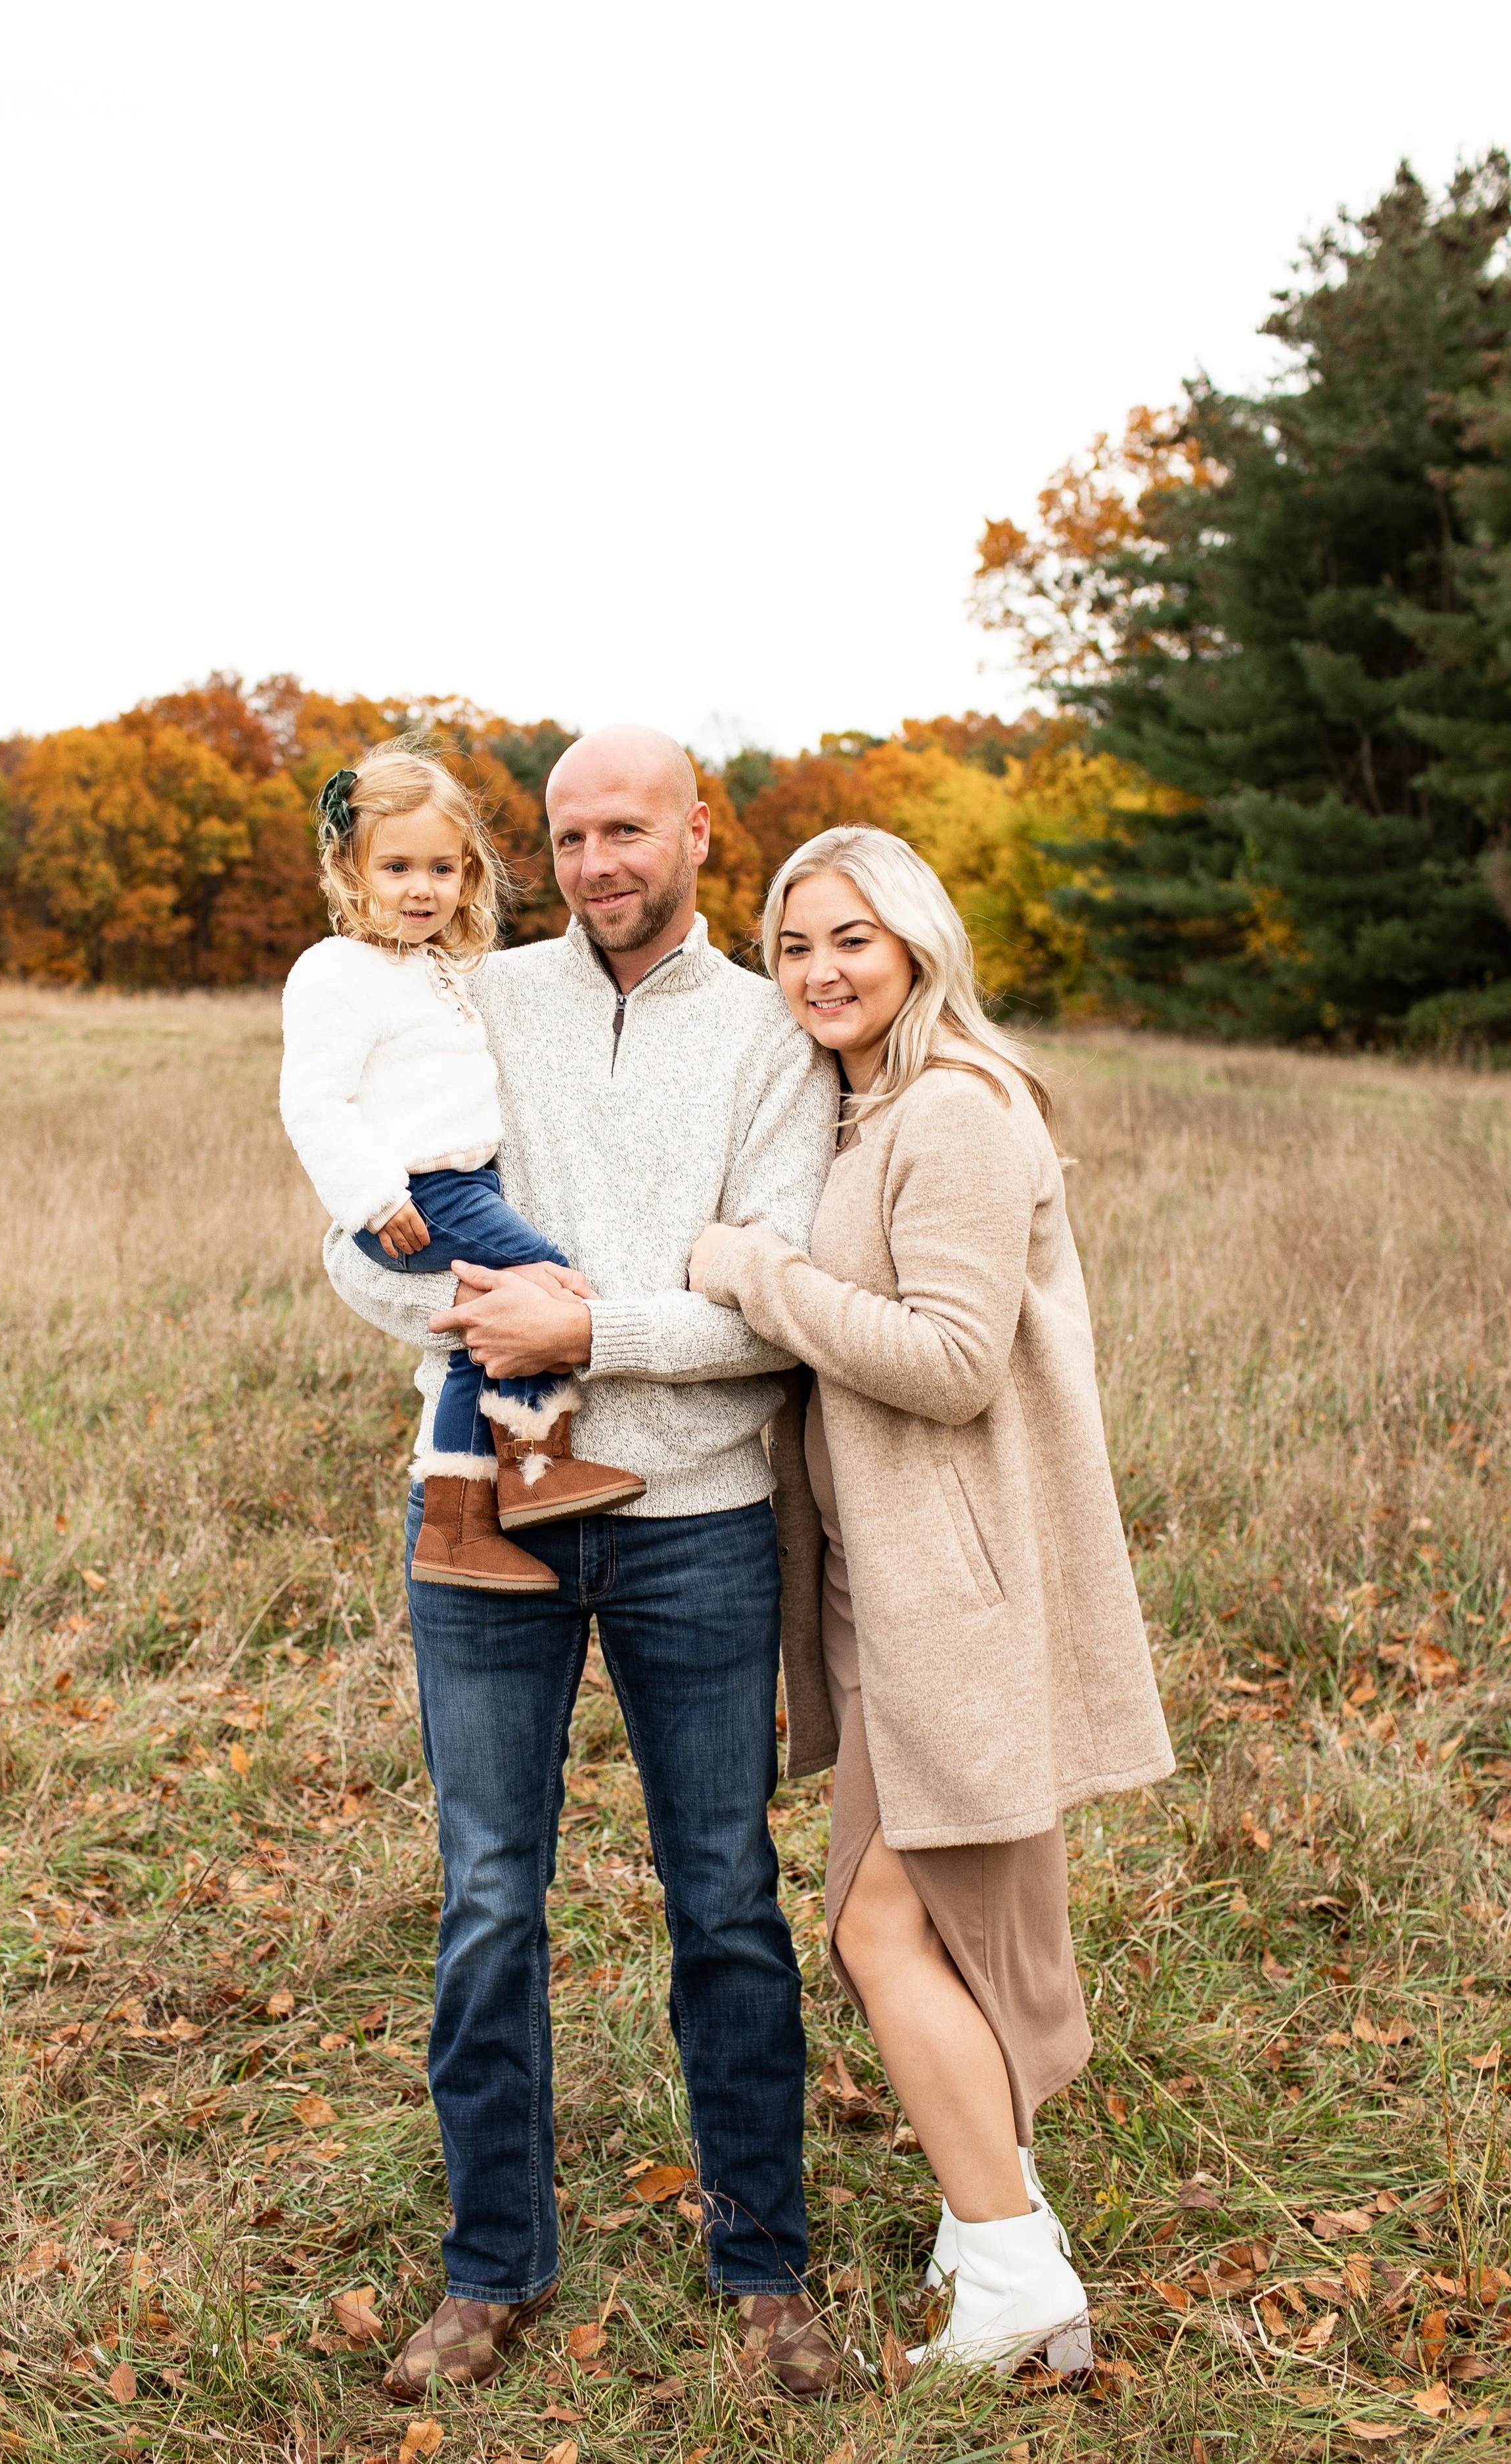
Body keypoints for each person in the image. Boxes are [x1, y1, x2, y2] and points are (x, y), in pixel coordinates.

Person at [317, 726, 844, 2400]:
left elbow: (774, 1309)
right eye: (567, 834)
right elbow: (366, 1242)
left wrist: (588, 1325)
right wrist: (500, 1323)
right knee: (487, 1899)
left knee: (727, 1901)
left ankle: (764, 2264)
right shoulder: (470, 993)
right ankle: (489, 2270)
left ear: (697, 830)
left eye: (627, 827)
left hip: (694, 1524)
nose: (597, 861)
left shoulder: (776, 1037)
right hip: (478, 1502)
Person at [688, 826, 1175, 2376]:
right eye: (791, 946)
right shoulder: (866, 1108)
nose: (819, 971)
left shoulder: (953, 1111)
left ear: (913, 943)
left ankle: (1019, 2271)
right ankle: (993, 2231)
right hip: (892, 1588)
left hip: (953, 1591)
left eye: (850, 939)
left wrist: (750, 1273)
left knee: (881, 1921)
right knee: (915, 1922)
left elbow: (953, 1365)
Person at [279, 736, 645, 1594]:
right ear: (350, 868)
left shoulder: (434, 966)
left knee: (489, 1324)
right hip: (417, 1192)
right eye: (397, 865)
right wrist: (372, 1197)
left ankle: (475, 1507)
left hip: (464, 1183)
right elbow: (314, 1101)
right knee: (548, 1287)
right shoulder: (336, 970)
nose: (422, 888)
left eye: (442, 868)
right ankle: (520, 1475)